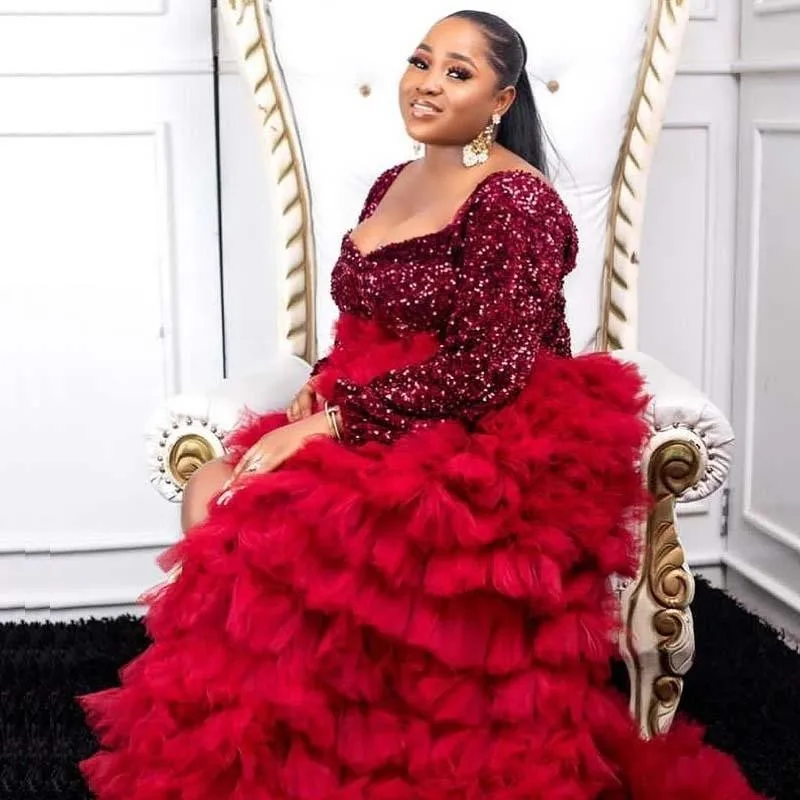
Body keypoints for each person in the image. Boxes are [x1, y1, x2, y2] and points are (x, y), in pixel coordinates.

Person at [80, 11, 762, 799]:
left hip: (476, 433)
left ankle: (366, 758)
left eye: (458, 72)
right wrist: (326, 375)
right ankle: (279, 752)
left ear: (501, 100)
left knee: (281, 521)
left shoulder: (516, 202)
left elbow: (488, 370)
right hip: (382, 400)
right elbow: (369, 311)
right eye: (421, 61)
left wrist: (336, 422)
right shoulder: (390, 181)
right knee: (213, 487)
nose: (428, 84)